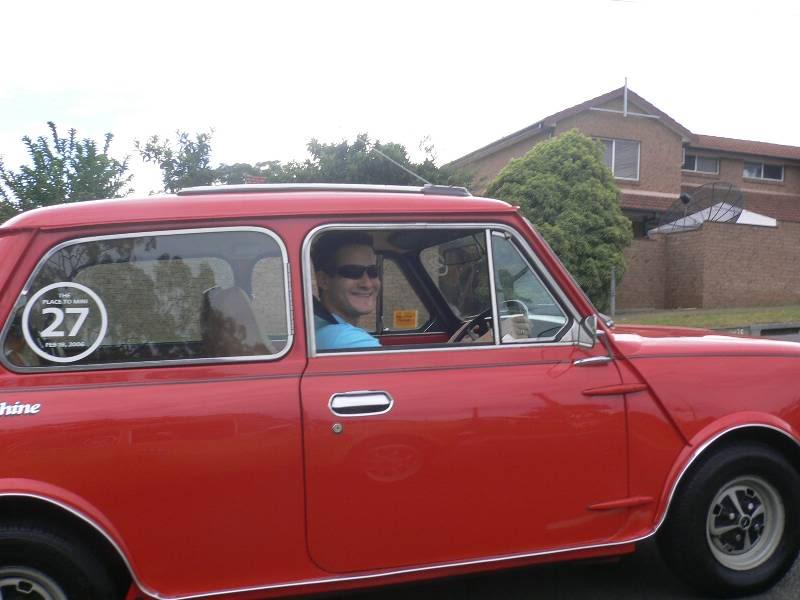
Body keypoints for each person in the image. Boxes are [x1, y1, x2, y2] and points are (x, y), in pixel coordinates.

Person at [311, 231, 382, 351]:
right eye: (352, 272)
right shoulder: (344, 339)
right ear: (324, 280)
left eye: (373, 271)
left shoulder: (317, 324)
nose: (367, 284)